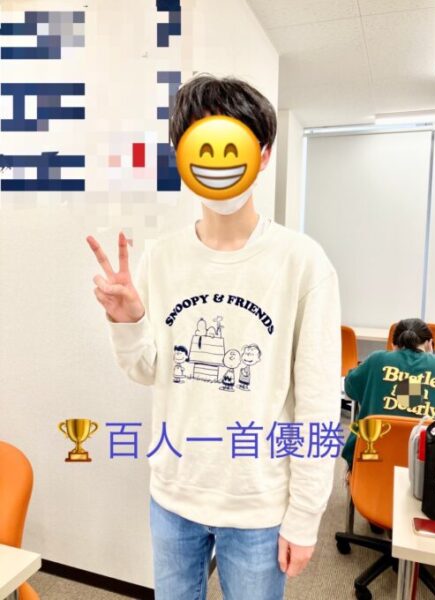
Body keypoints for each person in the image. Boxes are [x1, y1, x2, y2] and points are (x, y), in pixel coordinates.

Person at [87, 74, 341, 600]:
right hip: (173, 496)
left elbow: (318, 401)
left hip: (258, 506)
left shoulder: (302, 261)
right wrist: (128, 321)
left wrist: (304, 515)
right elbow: (149, 371)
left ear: (262, 155)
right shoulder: (161, 257)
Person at [342, 318, 435, 469]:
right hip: (429, 470)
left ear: (393, 345)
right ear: (430, 344)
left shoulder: (376, 360)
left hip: (370, 466)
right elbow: (411, 400)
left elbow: (350, 387)